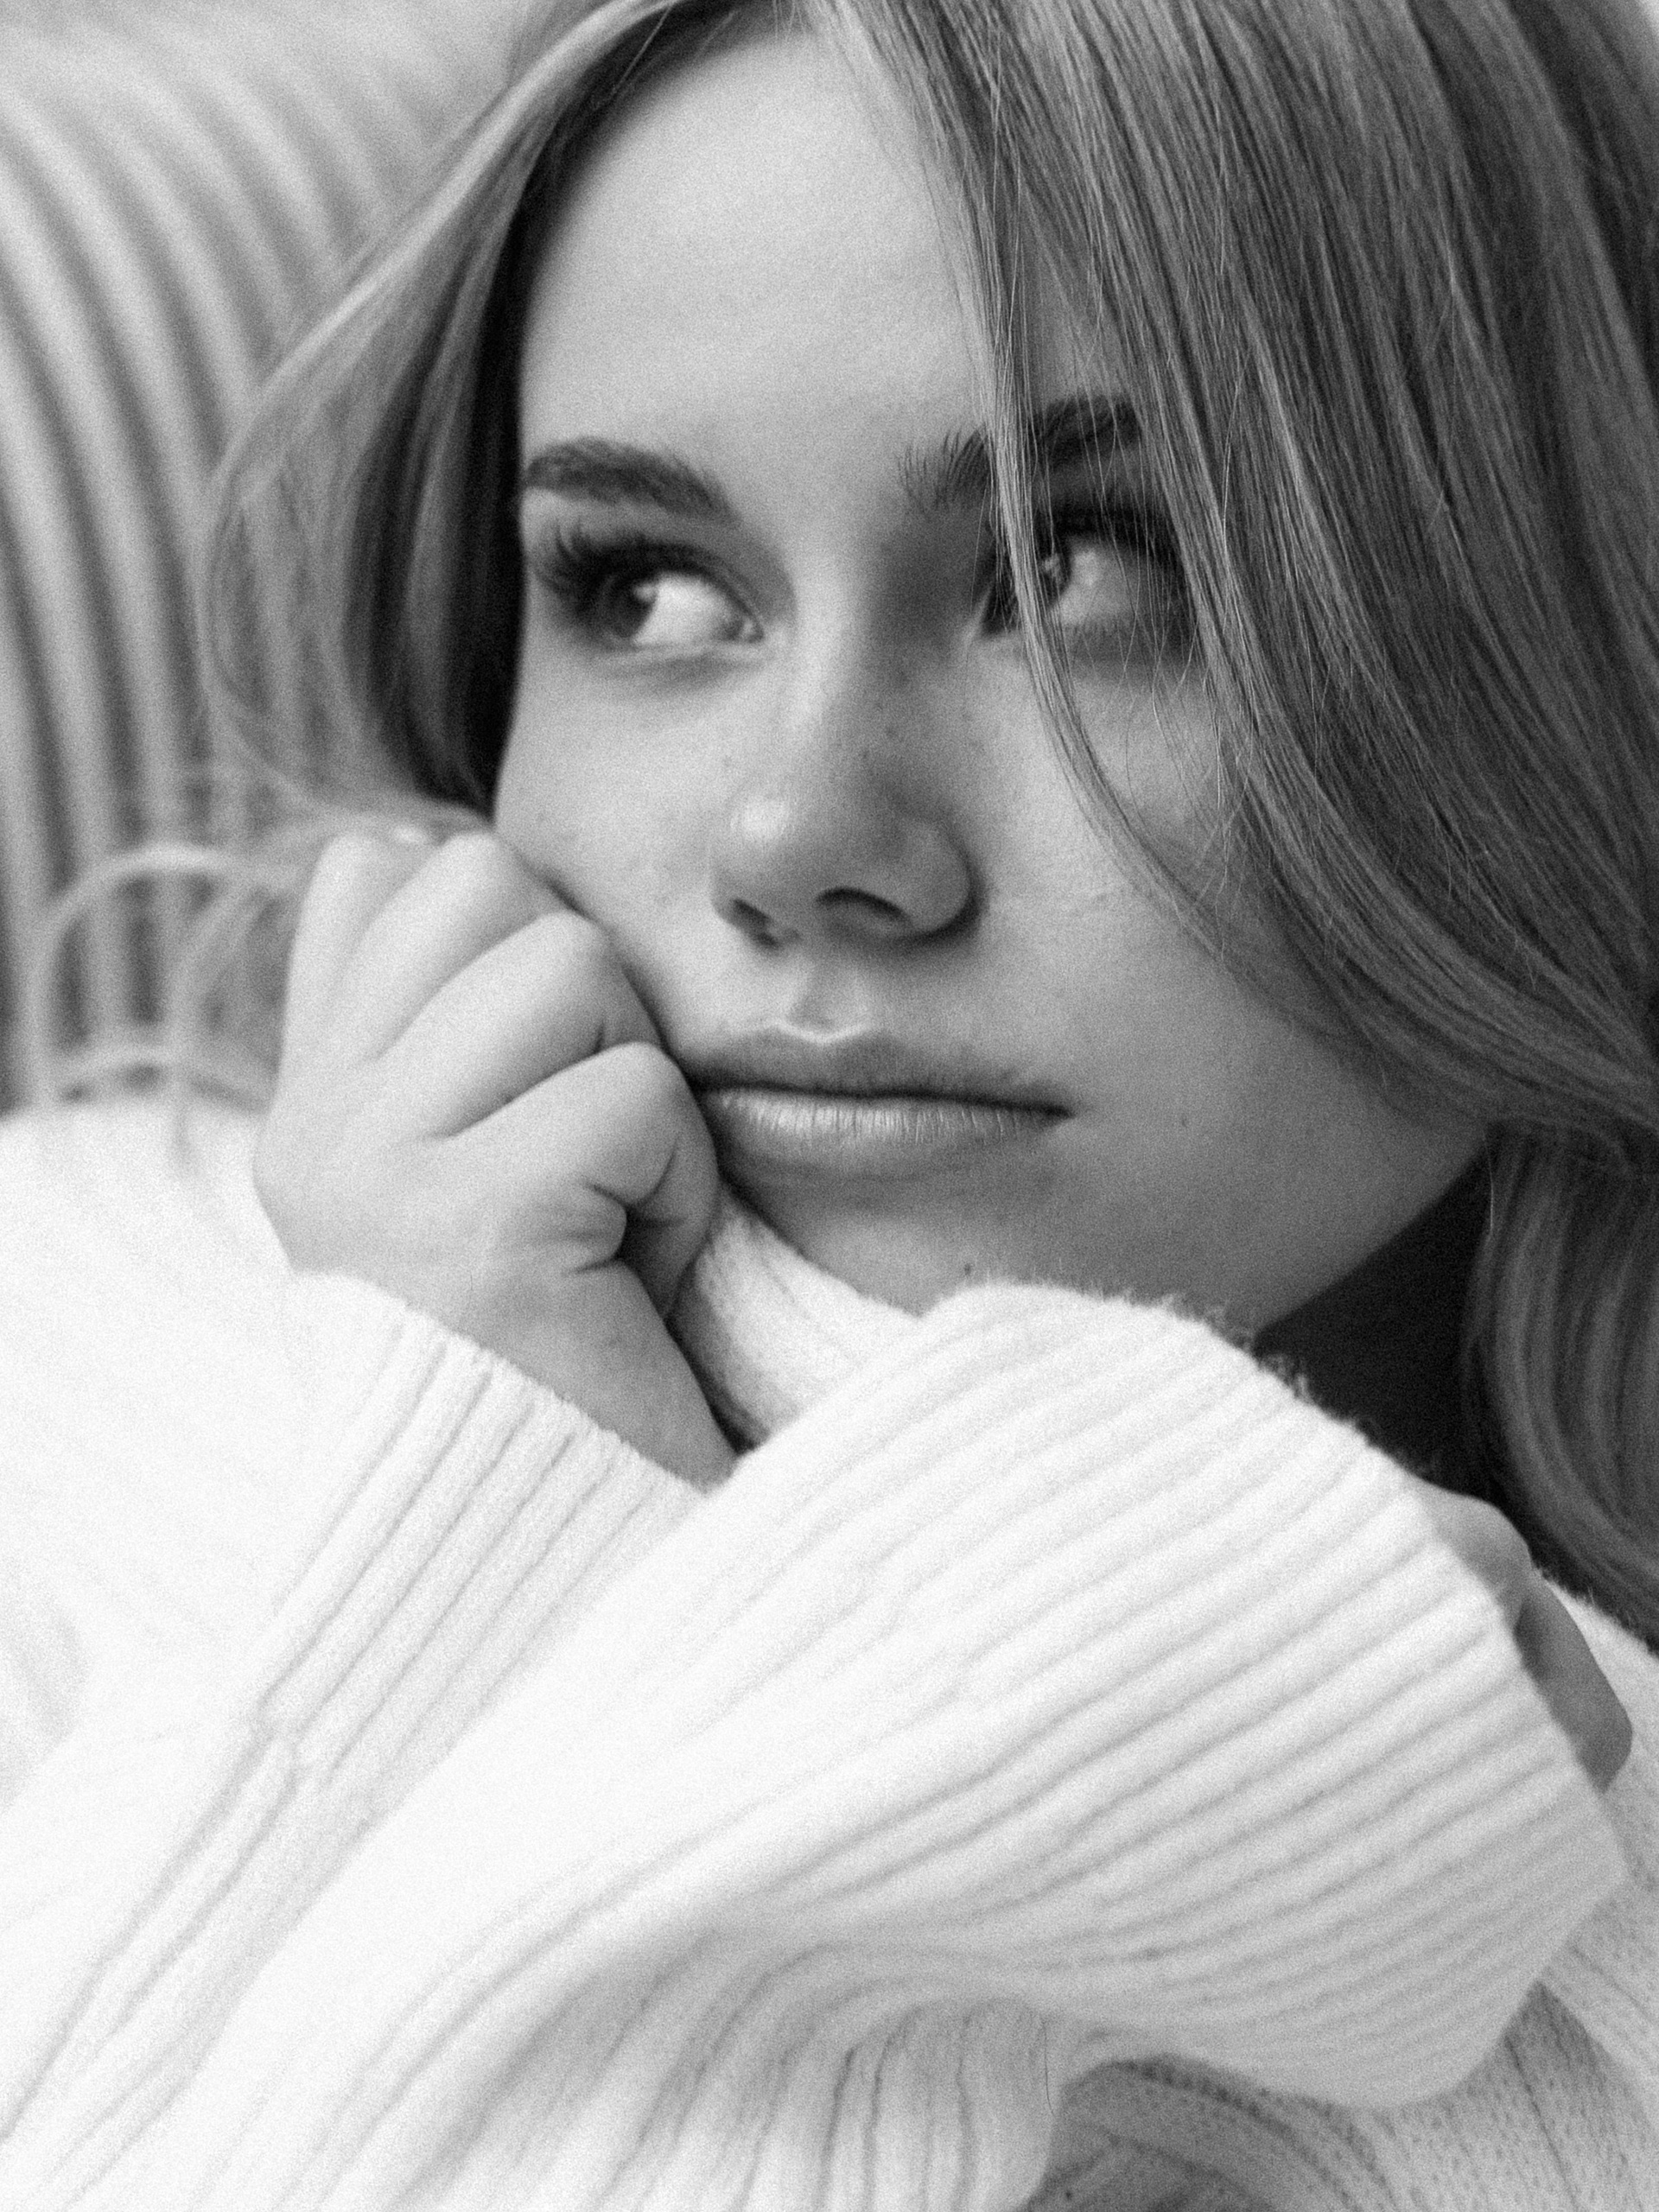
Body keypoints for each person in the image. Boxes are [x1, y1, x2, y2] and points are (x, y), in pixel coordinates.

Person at [2, 0, 1656, 2205]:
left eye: (1100, 567)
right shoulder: (65, 1346)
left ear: (1576, 667)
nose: (795, 835)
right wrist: (457, 1529)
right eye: (647, 587)